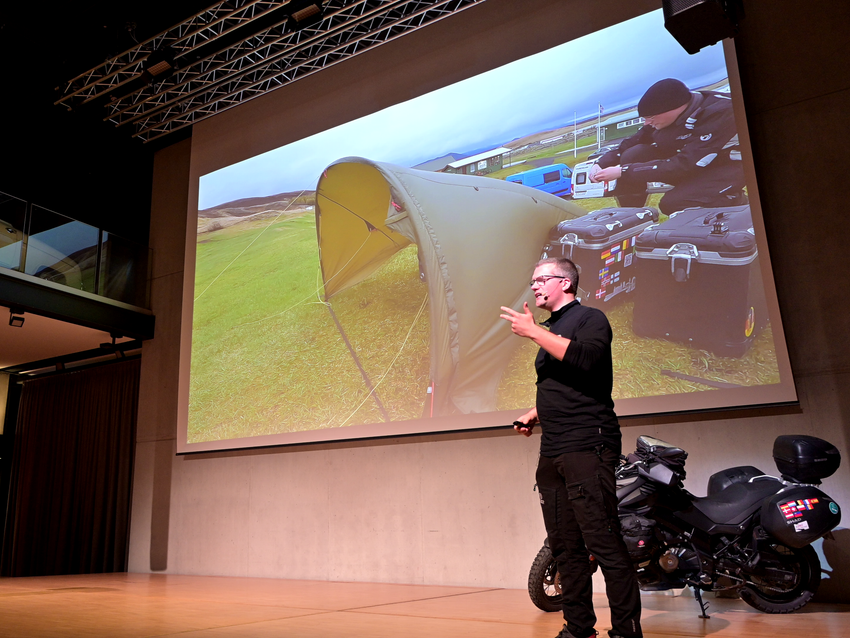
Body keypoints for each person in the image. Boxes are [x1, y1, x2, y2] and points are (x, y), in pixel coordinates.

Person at [499, 257, 641, 638]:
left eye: (541, 279)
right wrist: (534, 413)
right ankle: (578, 628)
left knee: (604, 541)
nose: (535, 287)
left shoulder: (590, 318)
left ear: (566, 282)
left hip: (588, 443)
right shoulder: (553, 329)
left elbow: (587, 359)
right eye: (533, 281)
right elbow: (564, 383)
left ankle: (627, 632)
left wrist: (532, 333)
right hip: (554, 449)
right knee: (565, 547)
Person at [590, 77, 745, 215]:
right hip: (693, 162)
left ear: (673, 109)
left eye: (650, 118)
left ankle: (739, 206)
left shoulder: (721, 112)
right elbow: (634, 141)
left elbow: (684, 164)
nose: (647, 123)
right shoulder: (665, 115)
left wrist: (623, 171)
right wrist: (601, 162)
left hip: (730, 166)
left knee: (673, 203)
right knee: (632, 155)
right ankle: (633, 217)